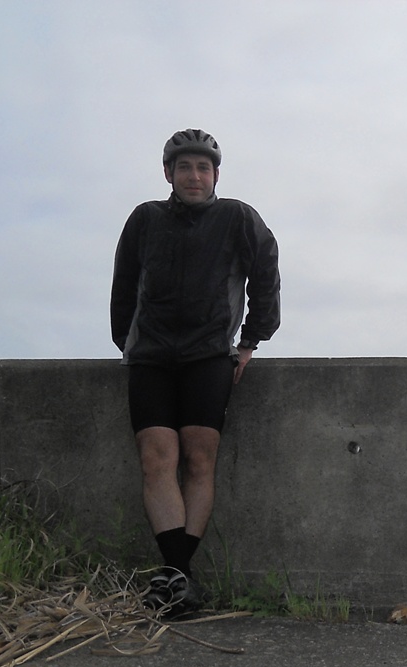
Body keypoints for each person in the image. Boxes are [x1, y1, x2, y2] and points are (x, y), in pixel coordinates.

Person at [110, 128, 280, 614]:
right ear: (168, 173)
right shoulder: (145, 218)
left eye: (203, 168)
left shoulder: (237, 217)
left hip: (209, 356)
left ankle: (174, 578)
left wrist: (250, 340)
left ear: (216, 175)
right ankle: (180, 576)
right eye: (184, 167)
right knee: (156, 459)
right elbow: (124, 286)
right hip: (151, 356)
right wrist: (127, 341)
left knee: (200, 461)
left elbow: (265, 274)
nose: (194, 176)